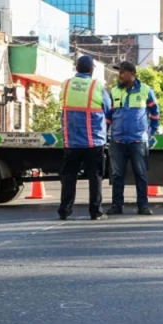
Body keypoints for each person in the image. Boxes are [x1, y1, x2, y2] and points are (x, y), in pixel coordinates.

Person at [57, 55, 112, 221]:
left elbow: (62, 103)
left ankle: (64, 211)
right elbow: (108, 108)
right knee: (95, 176)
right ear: (91, 69)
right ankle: (95, 212)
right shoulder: (96, 86)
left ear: (76, 68)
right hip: (93, 141)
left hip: (71, 140)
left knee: (69, 177)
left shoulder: (66, 85)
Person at [105, 61, 160, 216]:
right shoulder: (114, 91)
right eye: (119, 72)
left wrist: (150, 132)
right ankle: (117, 205)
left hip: (138, 140)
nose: (120, 75)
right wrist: (105, 133)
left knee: (140, 174)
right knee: (117, 175)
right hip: (117, 140)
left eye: (122, 72)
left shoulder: (145, 90)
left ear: (132, 73)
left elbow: (155, 113)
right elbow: (108, 116)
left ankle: (143, 206)